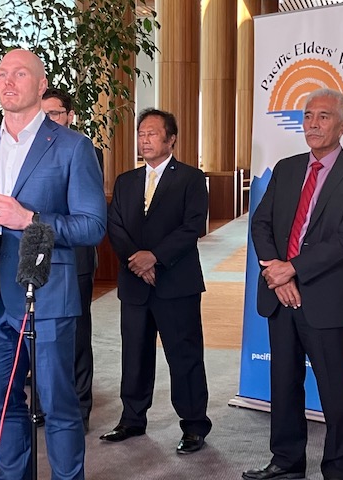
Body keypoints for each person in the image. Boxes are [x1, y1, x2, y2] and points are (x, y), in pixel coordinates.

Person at [0, 49, 106, 480]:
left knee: (59, 407)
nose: (6, 81)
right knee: (2, 405)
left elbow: (92, 226)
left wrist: (29, 219)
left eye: (19, 73)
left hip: (49, 297)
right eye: (1, 74)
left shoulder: (73, 147)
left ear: (40, 85)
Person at [245, 89, 343, 480]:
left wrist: (292, 269)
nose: (313, 124)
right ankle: (286, 462)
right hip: (279, 295)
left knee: (336, 392)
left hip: (327, 300)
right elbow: (261, 223)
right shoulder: (285, 168)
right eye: (307, 116)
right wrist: (276, 271)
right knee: (283, 385)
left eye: (323, 116)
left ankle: (338, 470)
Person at [102, 108, 212, 454]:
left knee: (185, 356)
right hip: (135, 283)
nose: (144, 140)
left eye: (152, 133)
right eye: (141, 134)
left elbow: (192, 226)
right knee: (134, 355)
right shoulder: (126, 181)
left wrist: (155, 257)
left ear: (171, 139)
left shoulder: (191, 179)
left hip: (176, 283)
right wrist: (138, 261)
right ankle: (132, 418)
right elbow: (115, 226)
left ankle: (194, 425)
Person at [41, 87, 104, 432]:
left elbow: (85, 214)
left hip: (75, 259)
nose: (48, 120)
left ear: (69, 116)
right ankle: (42, 403)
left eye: (55, 113)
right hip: (36, 260)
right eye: (44, 113)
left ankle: (80, 408)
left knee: (76, 336)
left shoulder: (85, 151)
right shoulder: (27, 155)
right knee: (39, 334)